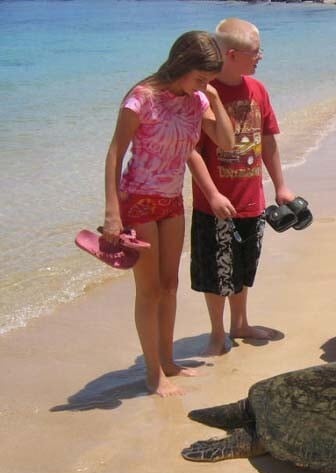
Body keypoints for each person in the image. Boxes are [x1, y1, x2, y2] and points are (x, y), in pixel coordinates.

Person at [101, 31, 235, 397]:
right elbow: (115, 152)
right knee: (149, 291)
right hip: (139, 200)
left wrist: (215, 98)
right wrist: (113, 212)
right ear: (181, 65)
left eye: (208, 79)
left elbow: (226, 141)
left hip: (172, 200)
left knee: (171, 286)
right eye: (201, 77)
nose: (204, 85)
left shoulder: (196, 100)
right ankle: (153, 373)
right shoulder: (141, 99)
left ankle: (168, 361)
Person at [188, 18, 296, 356]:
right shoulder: (203, 94)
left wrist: (281, 186)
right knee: (217, 272)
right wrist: (212, 193)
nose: (260, 57)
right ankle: (217, 332)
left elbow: (268, 141)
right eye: (255, 52)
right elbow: (189, 150)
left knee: (245, 266)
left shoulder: (258, 90)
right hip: (216, 205)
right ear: (232, 55)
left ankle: (240, 323)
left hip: (252, 201)